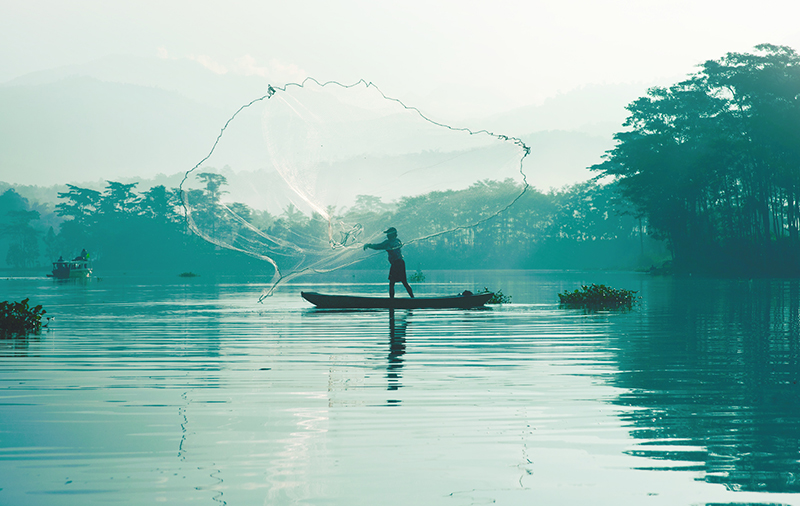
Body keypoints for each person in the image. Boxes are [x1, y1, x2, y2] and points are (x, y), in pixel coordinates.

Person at [363, 227, 414, 298]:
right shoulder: (387, 242)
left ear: (393, 234)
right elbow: (378, 246)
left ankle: (412, 299)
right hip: (395, 264)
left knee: (403, 282)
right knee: (392, 283)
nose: (387, 235)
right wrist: (369, 245)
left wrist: (391, 248)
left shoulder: (396, 241)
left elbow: (397, 245)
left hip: (399, 263)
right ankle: (392, 300)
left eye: (388, 234)